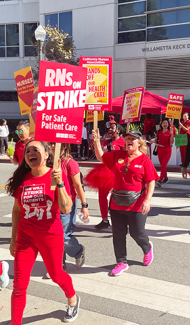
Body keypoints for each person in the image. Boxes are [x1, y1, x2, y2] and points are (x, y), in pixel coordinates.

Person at [6, 140, 80, 324]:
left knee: (56, 275)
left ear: (47, 154)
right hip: (25, 237)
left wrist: (61, 183)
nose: (31, 153)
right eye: (28, 151)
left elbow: (66, 209)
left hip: (50, 236)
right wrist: (13, 239)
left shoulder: (56, 175)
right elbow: (16, 211)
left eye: (36, 150)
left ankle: (73, 298)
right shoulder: (22, 178)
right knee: (19, 287)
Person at [91, 129, 159, 276]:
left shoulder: (144, 160)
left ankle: (147, 248)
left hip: (137, 204)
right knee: (118, 234)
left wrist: (147, 200)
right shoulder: (117, 155)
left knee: (137, 233)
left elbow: (151, 181)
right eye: (127, 138)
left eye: (132, 139)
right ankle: (121, 262)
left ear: (139, 143)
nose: (128, 141)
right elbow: (100, 157)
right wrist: (96, 140)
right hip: (117, 203)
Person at [49, 143, 87, 272]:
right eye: (50, 144)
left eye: (55, 144)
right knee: (54, 236)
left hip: (67, 204)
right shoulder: (46, 162)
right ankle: (60, 265)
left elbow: (78, 186)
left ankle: (77, 250)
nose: (52, 146)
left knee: (62, 236)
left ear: (63, 147)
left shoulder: (71, 163)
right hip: (51, 205)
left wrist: (84, 205)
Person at [84, 122, 125, 229]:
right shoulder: (107, 142)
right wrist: (96, 140)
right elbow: (100, 155)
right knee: (102, 196)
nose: (109, 130)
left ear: (118, 130)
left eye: (112, 128)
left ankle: (118, 219)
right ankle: (104, 219)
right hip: (105, 171)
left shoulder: (123, 142)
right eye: (109, 128)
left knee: (115, 197)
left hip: (117, 172)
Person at [154, 118, 174, 186]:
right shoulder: (158, 132)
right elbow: (156, 140)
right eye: (163, 123)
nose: (165, 124)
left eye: (166, 123)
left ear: (168, 124)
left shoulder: (170, 132)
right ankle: (166, 178)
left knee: (163, 165)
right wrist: (151, 141)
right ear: (161, 124)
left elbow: (171, 142)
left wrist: (171, 135)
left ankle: (161, 179)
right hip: (160, 151)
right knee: (163, 166)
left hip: (167, 151)